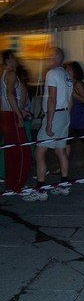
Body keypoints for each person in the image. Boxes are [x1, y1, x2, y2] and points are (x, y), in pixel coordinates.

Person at [23, 47, 73, 202]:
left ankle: (41, 189)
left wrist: (49, 123)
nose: (47, 59)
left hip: (55, 115)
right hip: (64, 115)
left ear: (55, 57)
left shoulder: (52, 73)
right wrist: (66, 118)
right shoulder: (67, 75)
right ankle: (64, 185)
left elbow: (52, 98)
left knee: (39, 152)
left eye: (49, 56)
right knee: (61, 151)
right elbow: (70, 101)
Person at [0, 50, 32, 195]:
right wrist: (19, 114)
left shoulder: (4, 74)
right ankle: (18, 185)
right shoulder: (11, 73)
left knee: (11, 151)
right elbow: (10, 95)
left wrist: (20, 110)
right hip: (12, 116)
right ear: (8, 59)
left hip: (7, 115)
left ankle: (11, 184)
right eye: (14, 57)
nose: (16, 59)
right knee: (22, 151)